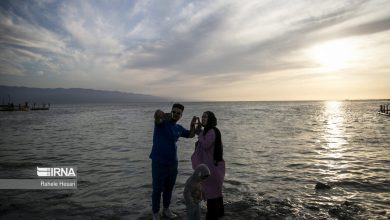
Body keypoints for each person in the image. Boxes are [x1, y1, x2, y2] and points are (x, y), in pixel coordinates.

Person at [150, 103, 197, 220]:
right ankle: (155, 213)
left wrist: (192, 125)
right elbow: (157, 117)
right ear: (171, 111)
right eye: (174, 112)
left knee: (169, 188)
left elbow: (191, 135)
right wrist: (158, 112)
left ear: (181, 115)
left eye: (178, 113)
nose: (176, 114)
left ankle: (166, 209)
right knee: (157, 189)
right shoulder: (161, 123)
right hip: (158, 162)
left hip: (172, 163)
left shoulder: (178, 128)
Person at [191, 111, 225, 220]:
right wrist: (194, 125)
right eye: (202, 117)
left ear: (210, 119)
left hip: (213, 170)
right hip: (212, 168)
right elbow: (197, 133)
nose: (203, 118)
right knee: (215, 195)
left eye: (205, 117)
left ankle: (212, 217)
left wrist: (200, 132)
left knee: (212, 196)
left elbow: (205, 144)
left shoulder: (212, 132)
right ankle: (218, 215)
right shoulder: (207, 131)